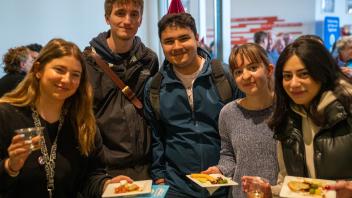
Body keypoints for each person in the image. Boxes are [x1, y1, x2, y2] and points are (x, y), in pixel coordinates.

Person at [0, 38, 132, 198]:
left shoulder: (83, 122)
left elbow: (90, 177)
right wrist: (10, 167)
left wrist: (106, 185)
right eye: (59, 70)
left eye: (75, 75)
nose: (67, 80)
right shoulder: (6, 116)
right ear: (38, 70)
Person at [144, 12, 243, 197]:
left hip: (224, 183)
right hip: (177, 187)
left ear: (197, 39)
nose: (177, 47)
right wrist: (159, 178)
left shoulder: (224, 77)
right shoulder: (154, 88)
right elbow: (156, 136)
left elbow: (241, 129)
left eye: (184, 38)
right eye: (169, 41)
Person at [244, 38, 352, 197]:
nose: (293, 84)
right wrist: (271, 192)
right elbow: (288, 182)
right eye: (287, 76)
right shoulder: (287, 118)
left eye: (303, 74)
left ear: (322, 72)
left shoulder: (347, 109)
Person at [83, 0, 159, 179]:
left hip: (146, 167)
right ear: (107, 18)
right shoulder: (86, 62)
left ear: (140, 20)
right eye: (120, 13)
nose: (127, 20)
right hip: (105, 168)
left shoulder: (149, 59)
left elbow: (154, 111)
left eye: (134, 14)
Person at [202, 43, 278, 198]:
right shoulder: (228, 113)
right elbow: (228, 155)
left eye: (253, 68)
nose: (245, 76)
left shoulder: (286, 110)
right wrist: (220, 170)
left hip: (278, 193)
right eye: (238, 71)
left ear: (269, 70)